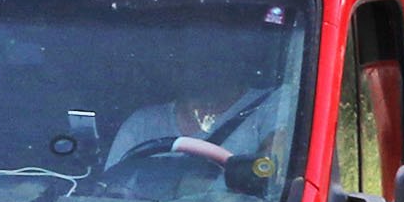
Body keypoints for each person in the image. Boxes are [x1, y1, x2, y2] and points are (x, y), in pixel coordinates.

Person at [105, 59, 284, 172]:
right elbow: (112, 192)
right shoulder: (142, 123)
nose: (198, 64)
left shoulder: (272, 104)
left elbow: (275, 176)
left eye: (211, 49)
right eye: (187, 52)